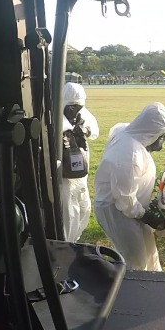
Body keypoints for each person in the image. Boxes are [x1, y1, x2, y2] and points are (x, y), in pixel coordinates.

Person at [93, 103, 165, 271]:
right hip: (117, 211)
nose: (162, 142)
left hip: (132, 209)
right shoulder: (129, 154)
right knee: (135, 261)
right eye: (162, 136)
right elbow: (124, 200)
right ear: (152, 132)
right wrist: (146, 215)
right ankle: (132, 293)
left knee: (150, 253)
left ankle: (154, 284)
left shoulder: (126, 133)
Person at [60, 82, 99, 242]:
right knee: (68, 212)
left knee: (84, 208)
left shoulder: (82, 114)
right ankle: (66, 243)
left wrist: (85, 130)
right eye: (71, 107)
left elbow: (95, 132)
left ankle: (75, 239)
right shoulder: (55, 116)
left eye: (77, 107)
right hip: (65, 176)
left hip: (81, 172)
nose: (74, 111)